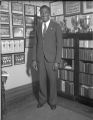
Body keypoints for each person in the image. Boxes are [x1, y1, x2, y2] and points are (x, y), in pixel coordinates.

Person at [32, 5, 62, 110]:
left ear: (49, 13)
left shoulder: (56, 26)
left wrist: (57, 61)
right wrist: (34, 59)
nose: (44, 14)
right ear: (40, 14)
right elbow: (35, 44)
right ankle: (42, 100)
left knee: (52, 82)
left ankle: (53, 102)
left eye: (46, 12)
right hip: (40, 60)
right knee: (41, 81)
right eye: (42, 13)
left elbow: (59, 45)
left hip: (52, 60)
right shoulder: (38, 27)